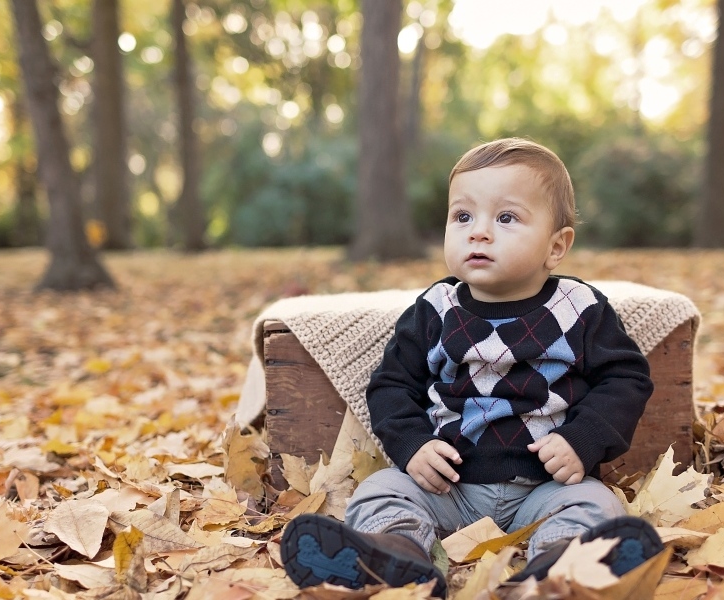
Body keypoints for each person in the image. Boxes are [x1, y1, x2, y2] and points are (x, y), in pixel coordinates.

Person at [280, 138, 663, 597]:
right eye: (462, 217)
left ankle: (559, 565)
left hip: (546, 487)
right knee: (382, 489)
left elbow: (626, 378)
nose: (478, 232)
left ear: (556, 246)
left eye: (506, 218)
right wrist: (413, 445)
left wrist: (582, 440)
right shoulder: (435, 308)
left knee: (594, 503)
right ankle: (398, 553)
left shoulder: (578, 308)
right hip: (449, 487)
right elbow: (391, 384)